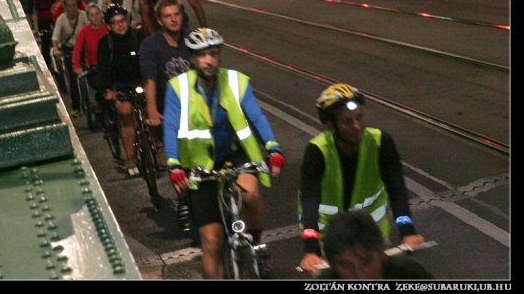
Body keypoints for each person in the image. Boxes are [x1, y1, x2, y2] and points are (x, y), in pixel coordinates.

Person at [162, 28, 286, 279]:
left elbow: (256, 116)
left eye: (214, 54)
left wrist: (273, 147)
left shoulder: (236, 81)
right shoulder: (178, 88)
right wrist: (174, 164)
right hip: (199, 165)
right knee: (211, 242)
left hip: (234, 154)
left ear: (220, 56)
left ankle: (259, 246)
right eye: (203, 55)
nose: (209, 60)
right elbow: (171, 126)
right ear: (193, 59)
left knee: (250, 196)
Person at [297, 83, 425, 274]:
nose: (357, 126)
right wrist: (311, 249)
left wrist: (407, 230)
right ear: (331, 125)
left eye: (359, 117)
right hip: (330, 235)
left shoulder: (381, 142)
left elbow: (396, 188)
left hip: (372, 231)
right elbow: (309, 200)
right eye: (347, 121)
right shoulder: (317, 150)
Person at [139, 0, 192, 231]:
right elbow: (150, 79)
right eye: (168, 16)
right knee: (179, 159)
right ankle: (184, 201)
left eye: (177, 14)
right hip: (170, 110)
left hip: (197, 107)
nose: (173, 20)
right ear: (160, 20)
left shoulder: (193, 39)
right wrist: (152, 109)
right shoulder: (151, 46)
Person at [316, 210, 433, 279]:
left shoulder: (408, 272)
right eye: (346, 265)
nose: (360, 276)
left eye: (367, 262)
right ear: (333, 266)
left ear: (382, 256)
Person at [97, 4, 144, 176]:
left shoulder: (137, 37)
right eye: (115, 23)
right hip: (120, 86)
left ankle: (159, 150)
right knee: (125, 113)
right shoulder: (105, 43)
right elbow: (103, 70)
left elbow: (147, 61)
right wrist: (108, 90)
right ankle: (131, 158)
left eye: (123, 21)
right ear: (109, 26)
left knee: (151, 110)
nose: (120, 25)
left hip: (140, 82)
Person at [52, 0, 88, 118]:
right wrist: (56, 49)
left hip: (84, 48)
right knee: (73, 78)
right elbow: (55, 36)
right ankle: (76, 107)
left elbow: (90, 28)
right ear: (65, 7)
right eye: (69, 6)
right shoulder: (61, 19)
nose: (72, 8)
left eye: (74, 5)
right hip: (69, 50)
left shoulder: (83, 16)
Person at [25, 0, 61, 70]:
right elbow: (29, 10)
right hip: (42, 17)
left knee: (59, 37)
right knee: (45, 40)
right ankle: (48, 65)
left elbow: (60, 2)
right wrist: (31, 27)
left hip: (54, 15)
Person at [72, 3, 109, 98]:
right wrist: (76, 66)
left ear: (101, 14)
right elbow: (77, 49)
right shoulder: (84, 32)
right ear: (88, 17)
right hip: (95, 68)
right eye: (92, 15)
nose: (95, 17)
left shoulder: (108, 27)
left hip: (111, 65)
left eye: (97, 14)